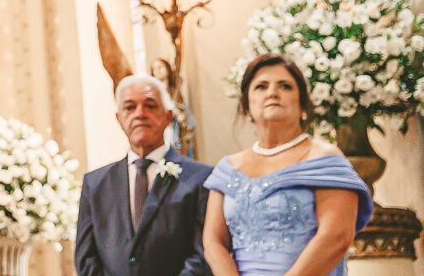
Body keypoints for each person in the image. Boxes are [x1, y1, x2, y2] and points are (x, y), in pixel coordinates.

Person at [203, 54, 372, 276]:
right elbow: (213, 242)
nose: (272, 92)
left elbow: (336, 237)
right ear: (246, 106)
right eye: (261, 87)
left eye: (285, 86)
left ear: (303, 105)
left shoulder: (324, 160)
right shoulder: (227, 169)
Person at [76, 74, 213, 276]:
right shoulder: (95, 184)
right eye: (130, 107)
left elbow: (204, 251)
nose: (140, 113)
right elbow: (86, 259)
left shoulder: (201, 178)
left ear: (168, 117)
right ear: (119, 119)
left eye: (150, 105)